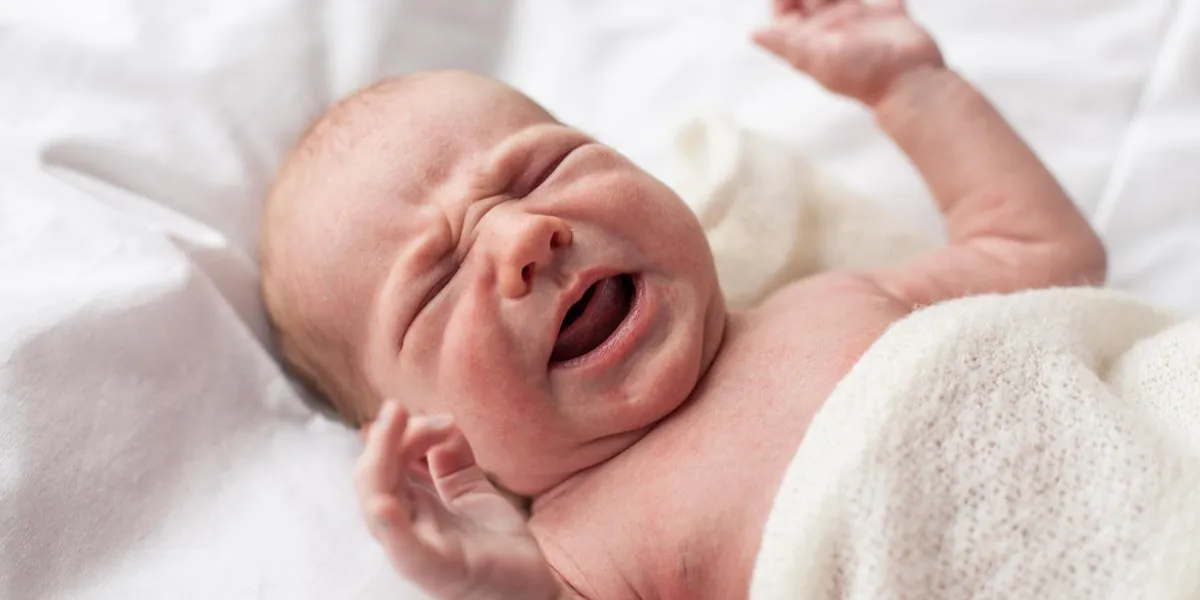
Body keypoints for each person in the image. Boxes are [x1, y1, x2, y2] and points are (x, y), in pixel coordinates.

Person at [258, 0, 1106, 597]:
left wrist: (911, 87)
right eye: (437, 281)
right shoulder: (577, 555)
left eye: (541, 171)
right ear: (425, 449)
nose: (525, 236)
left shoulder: (831, 301)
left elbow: (1043, 253)